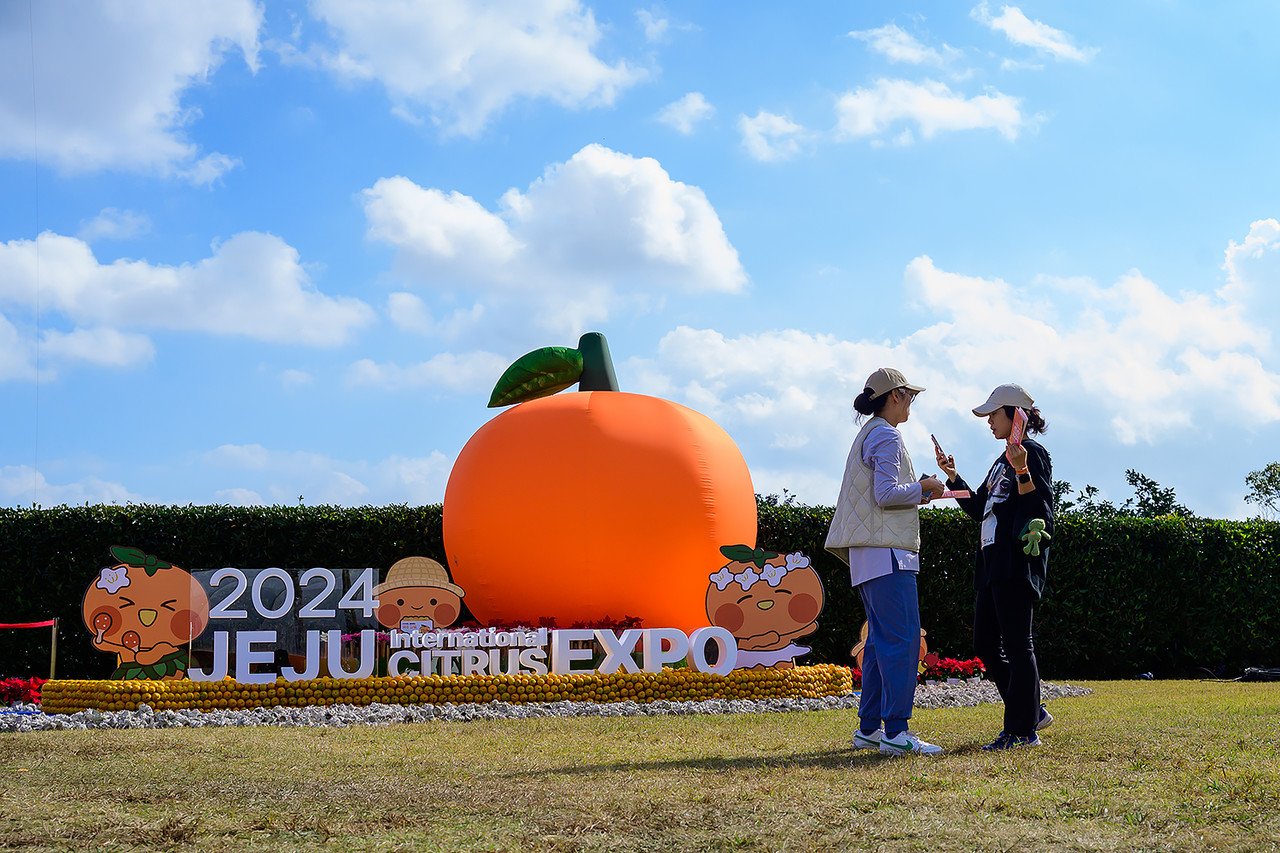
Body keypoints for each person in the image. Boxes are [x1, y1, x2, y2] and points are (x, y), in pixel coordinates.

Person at [826, 368, 947, 756]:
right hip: (889, 553)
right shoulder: (887, 434)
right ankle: (895, 733)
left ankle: (869, 728)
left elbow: (885, 495)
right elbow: (886, 494)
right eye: (909, 395)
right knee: (902, 640)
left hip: (869, 553)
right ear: (894, 396)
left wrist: (918, 493)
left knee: (880, 642)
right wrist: (925, 487)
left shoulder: (869, 432)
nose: (911, 402)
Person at [935, 383, 1054, 750]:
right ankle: (1031, 711)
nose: (988, 421)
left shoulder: (1031, 454)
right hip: (991, 565)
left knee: (1019, 644)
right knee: (985, 644)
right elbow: (978, 508)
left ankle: (1022, 731)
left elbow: (1040, 511)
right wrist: (953, 479)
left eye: (993, 414)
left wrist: (1022, 471)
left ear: (1015, 415)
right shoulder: (1000, 460)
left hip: (1015, 564)